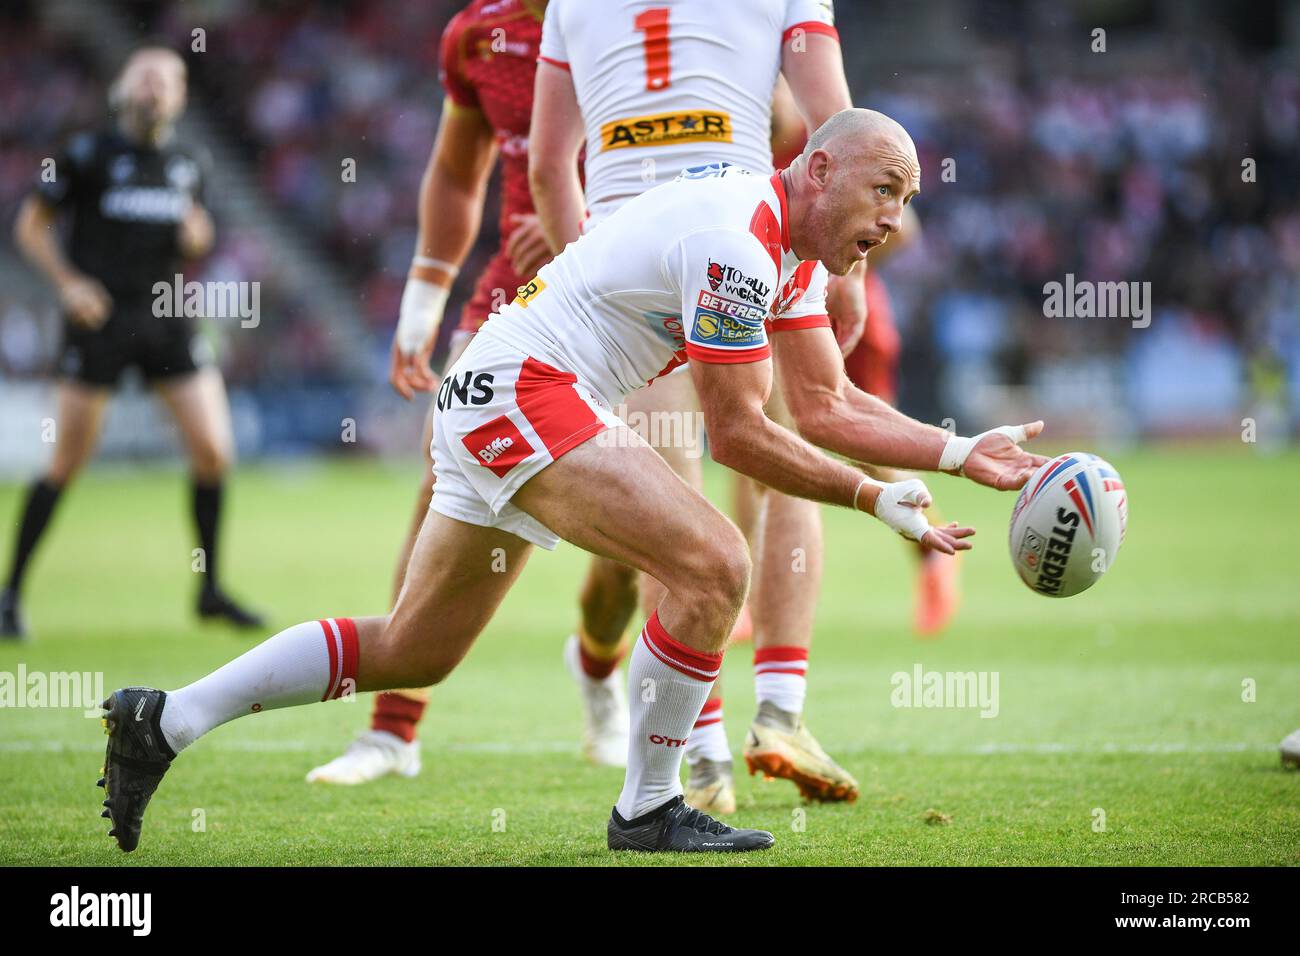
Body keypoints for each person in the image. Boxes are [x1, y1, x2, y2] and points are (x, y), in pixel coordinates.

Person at [98, 109, 1047, 855]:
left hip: (502, 387)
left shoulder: (788, 249)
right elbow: (738, 435)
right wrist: (876, 498)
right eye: (886, 190)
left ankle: (162, 722)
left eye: (907, 199)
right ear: (821, 168)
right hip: (525, 388)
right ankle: (649, 808)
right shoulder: (736, 243)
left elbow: (829, 404)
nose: (894, 219)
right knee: (715, 563)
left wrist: (963, 455)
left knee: (414, 650)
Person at [526, 0, 868, 813]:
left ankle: (704, 756)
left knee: (667, 501)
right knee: (787, 459)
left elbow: (547, 164)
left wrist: (582, 289)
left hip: (632, 262)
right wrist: (849, 272)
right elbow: (837, 126)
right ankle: (780, 714)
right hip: (752, 244)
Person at [304, 0, 593, 784]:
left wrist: (590, 224)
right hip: (512, 295)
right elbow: (457, 173)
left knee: (632, 560)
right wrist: (422, 307)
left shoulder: (640, 20)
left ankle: (600, 669)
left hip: (627, 298)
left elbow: (711, 153)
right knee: (445, 482)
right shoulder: (477, 31)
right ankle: (393, 731)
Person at [2, 47, 261, 640]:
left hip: (167, 317)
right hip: (99, 321)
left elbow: (195, 235)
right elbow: (30, 225)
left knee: (214, 452)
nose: (155, 90)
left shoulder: (189, 162)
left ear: (181, 96)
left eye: (168, 81)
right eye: (146, 78)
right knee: (66, 461)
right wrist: (68, 284)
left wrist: (199, 240)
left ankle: (210, 589)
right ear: (123, 90)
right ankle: (10, 593)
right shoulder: (86, 155)